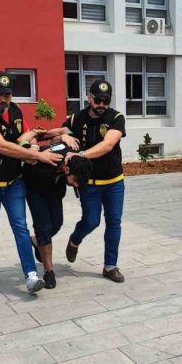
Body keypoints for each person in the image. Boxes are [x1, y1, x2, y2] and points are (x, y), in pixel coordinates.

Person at [0, 71, 62, 294]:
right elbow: (2, 146)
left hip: (13, 182)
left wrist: (35, 143)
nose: (3, 99)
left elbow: (24, 136)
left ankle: (31, 275)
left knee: (20, 226)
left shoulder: (15, 110)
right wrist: (38, 155)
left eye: (7, 95)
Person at [64, 80, 127, 283]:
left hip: (114, 181)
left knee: (114, 222)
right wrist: (64, 137)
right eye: (98, 100)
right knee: (91, 221)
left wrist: (81, 155)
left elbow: (107, 145)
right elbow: (61, 132)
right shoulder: (77, 118)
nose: (101, 105)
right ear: (89, 98)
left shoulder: (116, 118)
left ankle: (110, 266)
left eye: (106, 101)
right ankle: (74, 240)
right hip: (89, 183)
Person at [24, 140, 92, 289]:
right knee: (44, 229)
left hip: (55, 189)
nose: (76, 185)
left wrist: (63, 135)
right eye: (75, 181)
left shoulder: (73, 155)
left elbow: (68, 135)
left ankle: (37, 241)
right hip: (35, 190)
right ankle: (49, 272)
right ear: (67, 170)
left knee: (57, 223)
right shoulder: (45, 163)